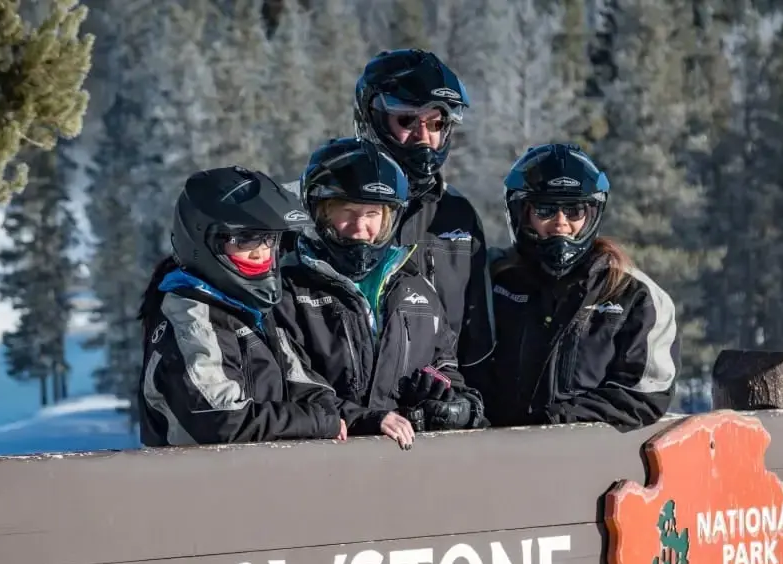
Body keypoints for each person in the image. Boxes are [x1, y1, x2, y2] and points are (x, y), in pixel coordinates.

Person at [275, 136, 487, 450]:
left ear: (390, 218)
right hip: (321, 461)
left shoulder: (415, 290)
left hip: (404, 463)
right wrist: (366, 418)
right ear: (319, 214)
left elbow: (445, 366)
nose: (360, 227)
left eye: (373, 214)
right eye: (346, 211)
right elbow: (292, 385)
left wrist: (458, 406)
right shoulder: (289, 290)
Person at [461, 144, 680, 430]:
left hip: (588, 457)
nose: (561, 223)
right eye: (545, 209)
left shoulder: (635, 295)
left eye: (574, 210)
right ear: (522, 213)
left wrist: (560, 421)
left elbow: (645, 391)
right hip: (494, 451)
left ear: (592, 214)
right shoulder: (491, 279)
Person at [138, 166, 347, 447]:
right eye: (247, 239)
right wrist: (317, 422)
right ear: (207, 242)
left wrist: (359, 418)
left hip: (256, 478)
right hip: (196, 484)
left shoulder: (252, 312)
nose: (261, 251)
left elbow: (308, 387)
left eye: (269, 239)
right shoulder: (191, 316)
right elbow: (219, 418)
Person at [351, 49, 492, 367]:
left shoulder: (457, 215)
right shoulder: (330, 206)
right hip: (358, 407)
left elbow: (478, 339)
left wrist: (469, 404)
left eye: (436, 123)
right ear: (370, 117)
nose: (423, 137)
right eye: (407, 120)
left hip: (444, 399)